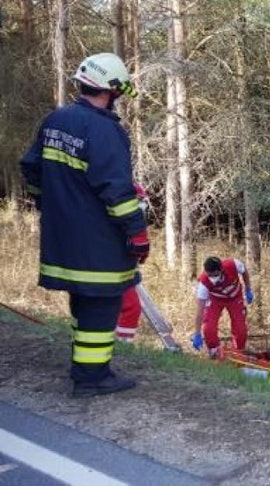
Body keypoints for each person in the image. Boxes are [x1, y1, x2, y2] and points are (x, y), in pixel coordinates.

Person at [20, 52, 146, 398]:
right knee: (103, 303)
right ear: (112, 90)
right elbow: (116, 191)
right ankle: (92, 377)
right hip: (98, 242)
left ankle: (84, 367)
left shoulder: (55, 121)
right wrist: (137, 232)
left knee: (82, 302)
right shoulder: (105, 131)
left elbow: (31, 169)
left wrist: (48, 201)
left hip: (62, 237)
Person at [191, 256, 255, 357]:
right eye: (209, 275)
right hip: (215, 300)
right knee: (209, 328)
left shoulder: (232, 264)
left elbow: (244, 272)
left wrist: (248, 289)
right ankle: (215, 352)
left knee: (240, 330)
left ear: (221, 270)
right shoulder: (203, 283)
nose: (212, 278)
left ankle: (238, 353)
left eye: (215, 275)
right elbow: (200, 311)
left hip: (235, 298)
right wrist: (197, 333)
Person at [115, 183, 150, 343]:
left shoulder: (131, 223)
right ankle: (122, 344)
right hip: (114, 273)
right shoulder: (119, 221)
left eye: (143, 200)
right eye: (139, 200)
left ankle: (117, 342)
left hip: (124, 271)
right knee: (131, 307)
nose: (142, 204)